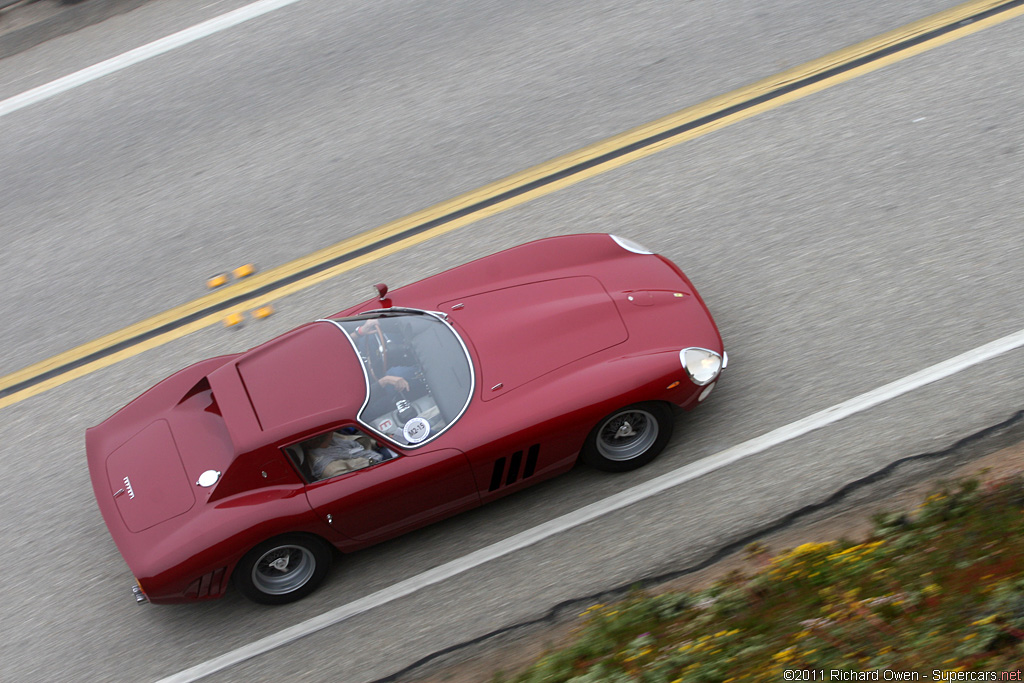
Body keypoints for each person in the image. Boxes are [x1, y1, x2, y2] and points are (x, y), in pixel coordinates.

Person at [304, 430, 396, 480]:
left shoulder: (329, 440)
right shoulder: (331, 470)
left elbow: (355, 442)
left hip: (372, 453)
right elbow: (360, 480)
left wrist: (377, 443)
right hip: (375, 467)